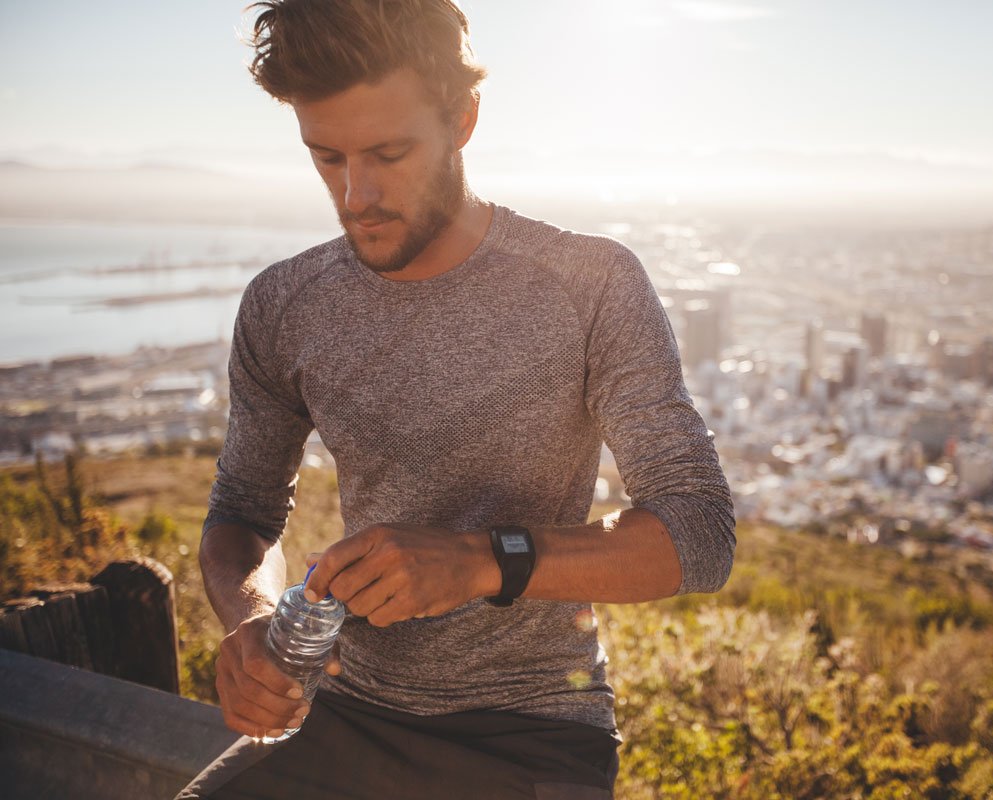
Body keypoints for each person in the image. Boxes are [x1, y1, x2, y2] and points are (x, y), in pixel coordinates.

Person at [176, 1, 735, 798]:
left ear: (463, 117)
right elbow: (242, 511)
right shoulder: (283, 304)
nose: (356, 193)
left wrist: (479, 562)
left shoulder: (591, 285)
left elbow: (699, 531)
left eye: (389, 152)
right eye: (326, 157)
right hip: (346, 709)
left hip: (534, 728)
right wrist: (251, 620)